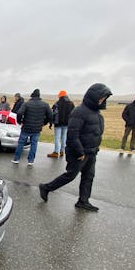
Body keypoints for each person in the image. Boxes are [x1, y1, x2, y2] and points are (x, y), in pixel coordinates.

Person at [39, 83, 112, 212]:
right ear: (93, 97)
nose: (102, 101)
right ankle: (46, 187)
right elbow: (72, 134)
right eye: (101, 98)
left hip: (91, 152)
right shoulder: (79, 112)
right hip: (79, 153)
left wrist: (95, 149)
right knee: (70, 175)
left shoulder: (97, 114)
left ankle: (83, 201)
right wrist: (80, 152)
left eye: (104, 98)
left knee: (88, 177)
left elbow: (96, 132)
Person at [11, 89, 52, 165]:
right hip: (37, 128)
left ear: (32, 95)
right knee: (34, 144)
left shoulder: (27, 104)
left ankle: (16, 159)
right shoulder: (45, 104)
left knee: (21, 143)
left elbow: (19, 113)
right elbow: (50, 115)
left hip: (26, 127)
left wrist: (20, 122)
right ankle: (31, 161)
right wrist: (44, 123)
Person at [47, 90, 75, 158]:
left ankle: (56, 152)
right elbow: (74, 114)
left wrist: (50, 123)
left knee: (57, 138)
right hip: (67, 124)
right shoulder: (71, 104)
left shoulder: (57, 103)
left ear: (59, 96)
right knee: (64, 137)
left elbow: (52, 114)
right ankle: (62, 151)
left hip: (58, 123)